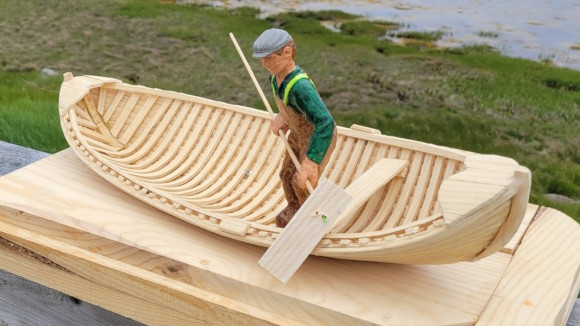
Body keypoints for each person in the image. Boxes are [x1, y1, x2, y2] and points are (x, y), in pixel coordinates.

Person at [252, 28, 337, 228]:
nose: (265, 65)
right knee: (287, 174)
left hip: (316, 136)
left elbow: (325, 122)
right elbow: (291, 106)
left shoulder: (301, 87)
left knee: (303, 180)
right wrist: (284, 116)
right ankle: (294, 207)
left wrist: (312, 160)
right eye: (262, 60)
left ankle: (309, 221)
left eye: (269, 59)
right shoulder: (275, 78)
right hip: (297, 132)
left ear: (288, 53)